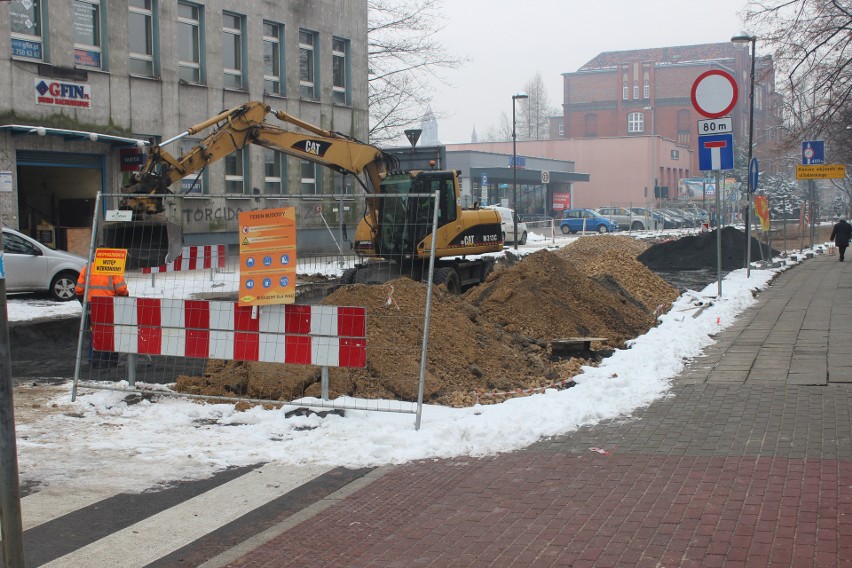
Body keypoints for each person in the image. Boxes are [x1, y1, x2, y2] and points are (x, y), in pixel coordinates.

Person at [76, 265, 129, 366]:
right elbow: (121, 289)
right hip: (109, 304)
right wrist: (125, 295)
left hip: (92, 305)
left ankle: (95, 361)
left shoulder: (87, 268)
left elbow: (79, 289)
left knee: (95, 331)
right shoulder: (114, 267)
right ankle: (111, 361)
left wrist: (85, 302)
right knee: (111, 332)